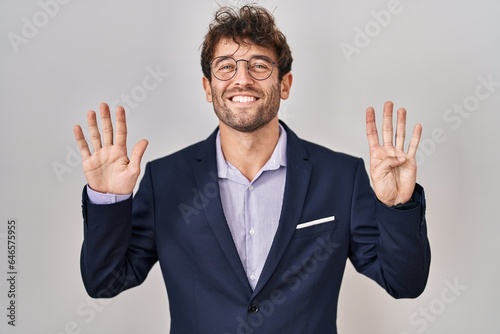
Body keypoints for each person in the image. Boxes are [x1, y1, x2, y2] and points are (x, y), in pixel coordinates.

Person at [73, 5, 430, 334]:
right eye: (226, 66)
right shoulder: (166, 180)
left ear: (284, 84)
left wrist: (398, 206)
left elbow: (405, 283)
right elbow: (104, 281)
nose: (242, 79)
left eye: (259, 65)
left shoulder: (340, 177)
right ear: (208, 88)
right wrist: (108, 201)